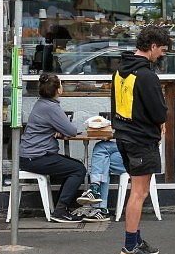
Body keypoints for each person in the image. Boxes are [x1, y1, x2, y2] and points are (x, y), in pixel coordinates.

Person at [112, 25, 169, 254]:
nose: (162, 55)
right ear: (152, 46)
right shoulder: (146, 75)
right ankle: (129, 248)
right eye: (162, 50)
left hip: (124, 136)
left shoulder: (120, 71)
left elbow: (116, 105)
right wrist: (162, 122)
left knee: (138, 190)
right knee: (139, 193)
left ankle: (135, 240)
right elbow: (158, 112)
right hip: (141, 140)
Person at [19, 73, 87, 223]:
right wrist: (60, 129)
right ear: (58, 90)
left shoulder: (41, 103)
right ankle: (60, 211)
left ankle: (60, 208)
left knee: (73, 166)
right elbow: (72, 131)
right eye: (61, 84)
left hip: (30, 156)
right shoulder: (51, 107)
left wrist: (56, 129)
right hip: (36, 157)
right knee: (78, 169)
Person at [75, 139, 126, 222]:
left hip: (142, 154)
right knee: (103, 161)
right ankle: (101, 209)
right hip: (138, 152)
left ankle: (96, 194)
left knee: (101, 148)